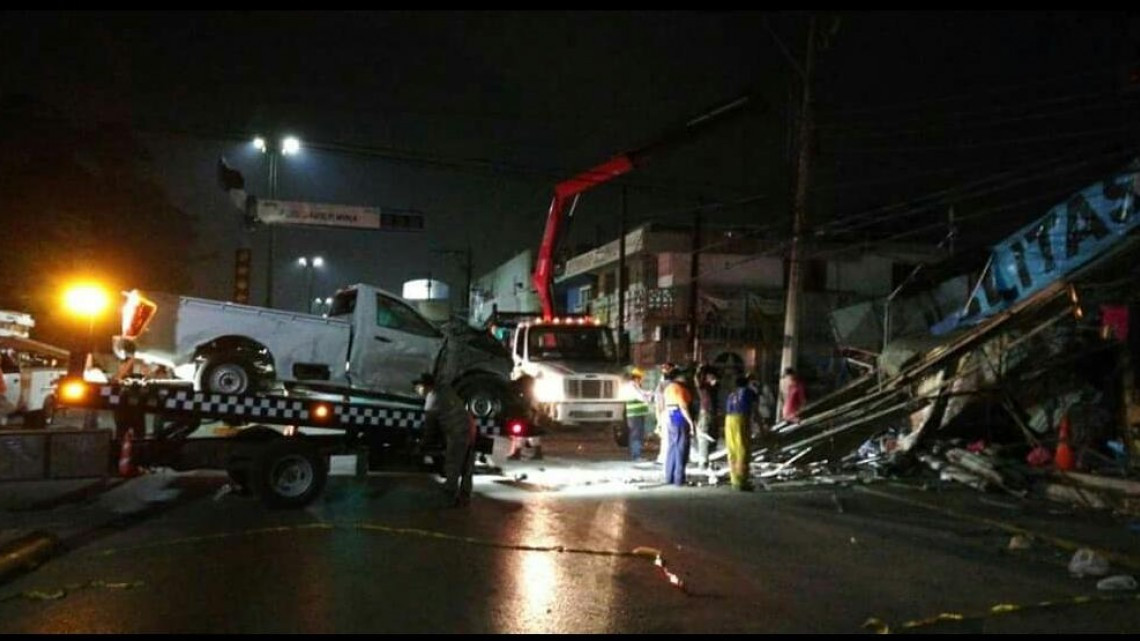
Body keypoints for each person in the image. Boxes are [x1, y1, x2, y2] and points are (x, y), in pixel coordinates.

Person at [414, 372, 476, 507]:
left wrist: (423, 443)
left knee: (453, 463)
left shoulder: (432, 399)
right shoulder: (446, 390)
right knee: (467, 464)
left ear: (427, 386)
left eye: (420, 387)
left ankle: (450, 493)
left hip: (457, 432)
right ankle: (465, 494)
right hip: (470, 427)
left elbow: (430, 427)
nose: (419, 390)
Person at [662, 368, 695, 486]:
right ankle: (679, 479)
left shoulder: (668, 388)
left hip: (670, 419)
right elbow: (683, 407)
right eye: (682, 376)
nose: (685, 378)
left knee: (672, 448)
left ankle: (669, 477)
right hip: (680, 419)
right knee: (681, 449)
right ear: (677, 377)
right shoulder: (679, 389)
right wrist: (691, 423)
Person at [724, 376, 755, 491]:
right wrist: (761, 426)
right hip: (741, 419)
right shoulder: (748, 392)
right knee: (742, 450)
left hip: (729, 420)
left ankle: (734, 480)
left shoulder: (732, 394)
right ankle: (742, 481)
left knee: (732, 449)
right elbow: (754, 409)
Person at [506, 374, 543, 460]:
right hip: (530, 413)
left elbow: (528, 404)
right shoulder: (529, 393)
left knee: (521, 433)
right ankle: (536, 452)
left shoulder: (527, 393)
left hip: (528, 413)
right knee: (527, 434)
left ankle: (518, 452)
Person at [623, 368, 653, 462]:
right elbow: (641, 397)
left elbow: (642, 393)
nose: (642, 380)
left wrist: (649, 393)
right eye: (641, 378)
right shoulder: (632, 386)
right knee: (636, 435)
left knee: (636, 435)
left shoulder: (636, 386)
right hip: (634, 415)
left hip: (637, 414)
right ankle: (636, 456)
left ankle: (636, 454)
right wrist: (649, 398)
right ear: (637, 377)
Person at [694, 365, 719, 469]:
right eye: (711, 377)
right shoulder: (703, 387)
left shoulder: (712, 388)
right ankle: (703, 461)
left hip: (711, 413)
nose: (714, 379)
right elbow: (697, 381)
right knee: (704, 435)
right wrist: (699, 370)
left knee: (711, 436)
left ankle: (708, 459)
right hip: (705, 412)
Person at [653, 362, 677, 465]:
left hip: (666, 412)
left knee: (667, 436)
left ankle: (665, 457)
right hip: (671, 412)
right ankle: (668, 457)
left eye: (666, 368)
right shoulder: (671, 384)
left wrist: (658, 416)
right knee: (670, 436)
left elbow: (658, 402)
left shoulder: (663, 385)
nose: (664, 369)